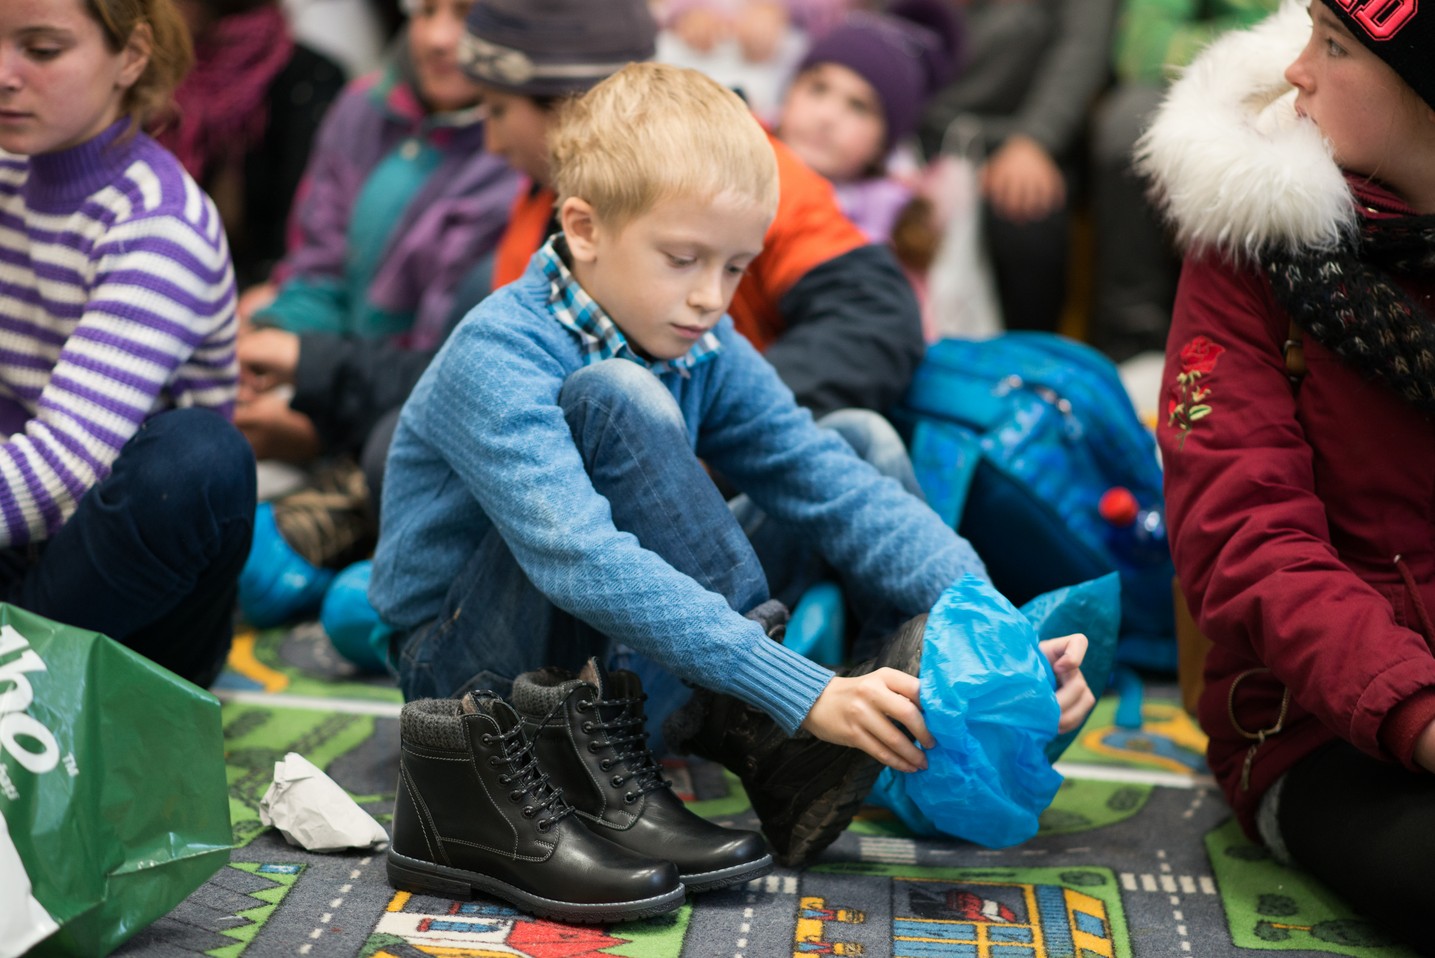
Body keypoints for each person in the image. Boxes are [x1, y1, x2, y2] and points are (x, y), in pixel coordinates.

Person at [370, 59, 1095, 867]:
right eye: (683, 259)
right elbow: (576, 557)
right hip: (473, 690)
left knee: (856, 442)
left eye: (735, 267)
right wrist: (795, 684)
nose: (711, 298)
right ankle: (775, 722)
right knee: (617, 396)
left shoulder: (702, 339)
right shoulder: (499, 348)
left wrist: (994, 628)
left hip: (618, 664)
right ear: (583, 229)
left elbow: (825, 477)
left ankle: (905, 712)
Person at [1138, 1, 1435, 946]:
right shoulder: (1250, 236)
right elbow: (1244, 538)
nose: (1295, 69)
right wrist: (1420, 712)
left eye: (1335, 46)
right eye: (1309, 30)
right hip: (1320, 726)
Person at [231, 0, 519, 626]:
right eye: (425, 12)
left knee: (263, 571)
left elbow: (453, 371)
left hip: (413, 426)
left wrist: (309, 398)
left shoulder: (517, 156)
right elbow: (318, 268)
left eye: (467, 15)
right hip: (335, 392)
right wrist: (268, 352)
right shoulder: (362, 110)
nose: (439, 39)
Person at [0, 0, 255, 687]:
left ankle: (23, 673)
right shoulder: (8, 178)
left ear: (132, 55)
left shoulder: (157, 223)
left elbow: (60, 475)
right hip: (11, 540)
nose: (4, 74)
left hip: (120, 596)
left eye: (42, 50)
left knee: (198, 458)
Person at [1087, 0, 1277, 363]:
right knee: (1127, 126)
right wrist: (1261, 50)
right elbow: (1141, 47)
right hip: (1208, 84)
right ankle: (1135, 344)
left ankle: (1255, 346)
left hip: (1310, 88)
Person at [918, 0, 1116, 333]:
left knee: (1027, 216)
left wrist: (1036, 139)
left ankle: (1027, 363)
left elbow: (1081, 49)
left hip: (1020, 137)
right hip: (918, 126)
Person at [157, 0, 347, 289]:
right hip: (164, 272)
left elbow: (301, 238)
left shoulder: (308, 80)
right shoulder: (155, 71)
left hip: (261, 292)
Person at [772, 0, 962, 249]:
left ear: (883, 146)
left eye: (858, 106)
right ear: (789, 93)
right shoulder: (731, 153)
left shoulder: (889, 237)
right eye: (818, 89)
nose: (827, 116)